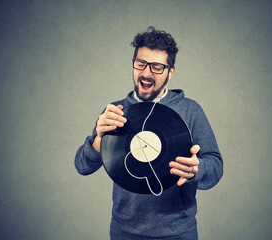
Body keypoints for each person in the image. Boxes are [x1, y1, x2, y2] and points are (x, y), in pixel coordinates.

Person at [75, 26, 223, 240]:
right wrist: (98, 140)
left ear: (170, 72)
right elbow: (82, 166)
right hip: (124, 232)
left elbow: (215, 166)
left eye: (156, 67)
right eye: (140, 64)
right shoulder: (115, 112)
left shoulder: (191, 110)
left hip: (178, 233)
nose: (146, 73)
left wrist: (197, 170)